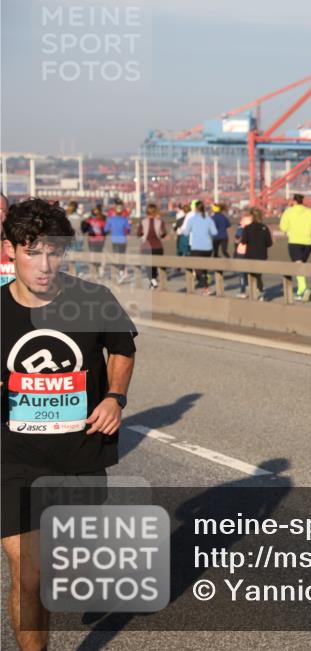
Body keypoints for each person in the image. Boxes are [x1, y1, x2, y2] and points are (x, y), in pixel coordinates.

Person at [2, 198, 137, 651]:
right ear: (10, 251)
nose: (44, 265)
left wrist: (115, 397)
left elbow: (122, 348)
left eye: (53, 252)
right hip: (11, 458)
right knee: (29, 573)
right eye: (31, 251)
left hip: (78, 456)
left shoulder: (93, 298)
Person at [279, 193, 311, 301]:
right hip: (308, 242)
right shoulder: (309, 212)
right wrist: (307, 228)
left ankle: (303, 289)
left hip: (294, 241)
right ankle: (300, 291)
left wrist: (291, 229)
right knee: (301, 266)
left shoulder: (288, 212)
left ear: (293, 201)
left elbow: (283, 227)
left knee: (298, 266)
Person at [180, 200, 218, 295]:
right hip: (208, 248)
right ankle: (206, 288)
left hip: (196, 247)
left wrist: (181, 228)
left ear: (195, 208)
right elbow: (214, 232)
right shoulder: (208, 219)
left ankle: (203, 281)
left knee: (196, 268)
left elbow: (185, 232)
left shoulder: (191, 219)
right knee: (204, 268)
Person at [235, 207, 272, 300]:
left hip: (250, 255)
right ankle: (260, 293)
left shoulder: (248, 228)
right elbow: (269, 243)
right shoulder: (264, 227)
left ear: (252, 216)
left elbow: (244, 241)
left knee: (251, 275)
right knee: (259, 275)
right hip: (262, 255)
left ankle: (253, 293)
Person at [136, 203, 167, 289]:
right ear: (156, 211)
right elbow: (163, 234)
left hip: (147, 247)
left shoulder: (143, 222)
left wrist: (143, 233)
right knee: (156, 265)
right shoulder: (160, 222)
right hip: (158, 247)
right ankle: (154, 280)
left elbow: (138, 234)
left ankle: (153, 280)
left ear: (147, 211)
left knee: (148, 266)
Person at [103, 204, 132, 284]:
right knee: (122, 255)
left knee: (116, 256)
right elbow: (129, 228)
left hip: (114, 240)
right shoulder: (124, 219)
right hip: (123, 240)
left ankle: (119, 272)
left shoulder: (111, 219)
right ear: (122, 212)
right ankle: (121, 272)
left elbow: (106, 229)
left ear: (115, 211)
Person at [82, 204, 107, 278]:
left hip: (93, 240)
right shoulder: (102, 220)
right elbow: (105, 230)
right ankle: (98, 270)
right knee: (98, 254)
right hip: (99, 240)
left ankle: (96, 270)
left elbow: (85, 228)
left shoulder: (90, 220)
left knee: (94, 255)